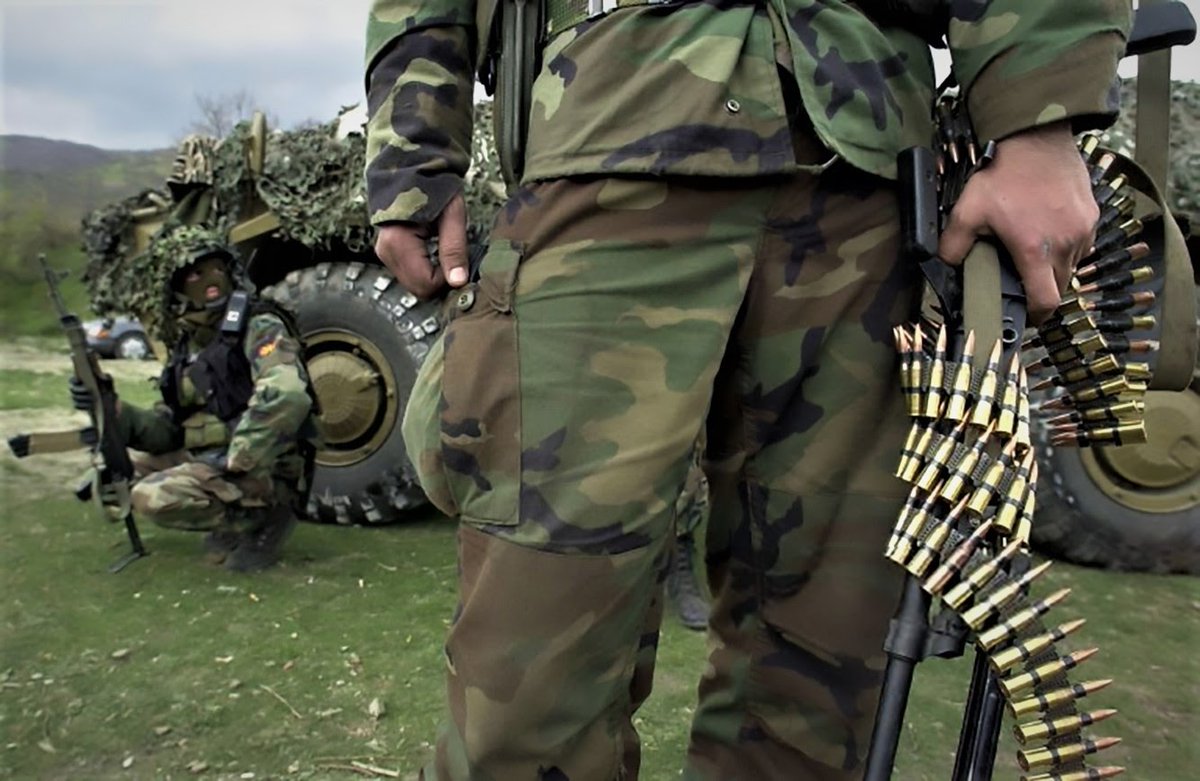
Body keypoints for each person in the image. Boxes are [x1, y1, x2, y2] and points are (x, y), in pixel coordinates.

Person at [363, 1, 1130, 778]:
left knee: (819, 681)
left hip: (863, 169)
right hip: (605, 134)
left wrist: (1039, 124)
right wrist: (408, 152)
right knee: (527, 688)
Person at [68, 227, 319, 572]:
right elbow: (169, 429)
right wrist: (111, 410)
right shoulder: (188, 345)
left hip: (267, 464)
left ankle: (264, 519)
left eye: (216, 268)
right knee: (117, 476)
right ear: (177, 288)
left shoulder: (259, 325)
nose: (209, 280)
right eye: (195, 274)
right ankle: (232, 519)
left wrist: (238, 458)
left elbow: (288, 394)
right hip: (212, 457)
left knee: (152, 496)